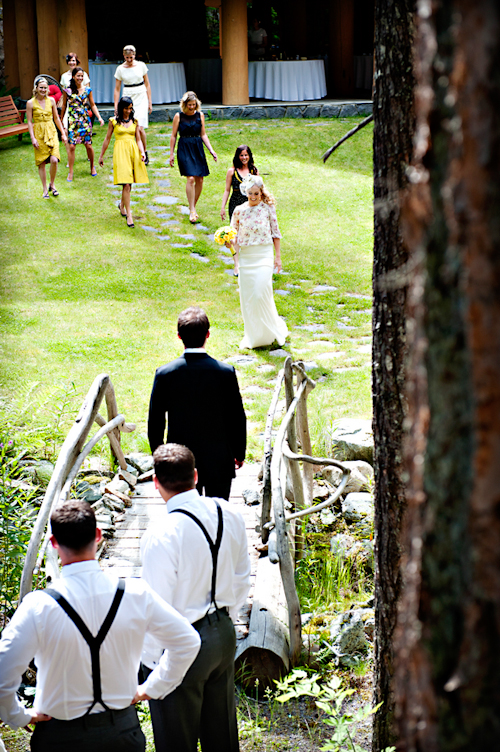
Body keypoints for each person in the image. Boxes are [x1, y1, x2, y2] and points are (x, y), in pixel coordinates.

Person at [0, 500, 201, 752]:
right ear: (98, 535)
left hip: (60, 738)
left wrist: (19, 716)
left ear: (53, 543)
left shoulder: (38, 606)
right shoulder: (135, 594)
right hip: (121, 732)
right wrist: (152, 688)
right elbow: (188, 641)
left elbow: (2, 670)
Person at [141, 443, 251, 752]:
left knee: (177, 742)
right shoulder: (228, 512)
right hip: (223, 634)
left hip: (182, 646)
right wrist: (226, 618)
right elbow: (242, 577)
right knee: (223, 737)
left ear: (155, 482)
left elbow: (155, 607)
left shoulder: (161, 533)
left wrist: (151, 665)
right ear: (196, 475)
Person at [148, 307, 246, 501]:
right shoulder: (225, 373)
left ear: (179, 336)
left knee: (185, 513)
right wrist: (239, 452)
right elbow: (237, 416)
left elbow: (156, 420)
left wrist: (159, 457)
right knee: (218, 512)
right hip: (218, 459)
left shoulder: (165, 374)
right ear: (208, 334)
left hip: (180, 461)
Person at [230, 175, 288, 349]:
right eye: (250, 193)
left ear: (261, 192)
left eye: (256, 193)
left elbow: (276, 233)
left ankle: (271, 330)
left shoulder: (267, 209)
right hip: (246, 258)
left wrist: (278, 257)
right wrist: (233, 254)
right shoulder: (239, 210)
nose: (253, 197)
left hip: (264, 255)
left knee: (260, 294)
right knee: (249, 298)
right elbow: (234, 237)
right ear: (245, 193)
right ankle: (255, 336)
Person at [98, 97, 148, 228]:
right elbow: (107, 139)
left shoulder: (134, 121)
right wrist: (101, 156)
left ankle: (121, 206)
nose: (128, 111)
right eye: (126, 108)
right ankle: (129, 215)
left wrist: (142, 152)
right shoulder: (113, 121)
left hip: (133, 152)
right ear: (121, 108)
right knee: (125, 183)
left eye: (130, 108)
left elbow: (138, 139)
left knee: (129, 183)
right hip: (120, 153)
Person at [169, 91, 218, 223]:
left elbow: (203, 135)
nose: (192, 107)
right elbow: (173, 135)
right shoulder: (178, 116)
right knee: (190, 178)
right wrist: (171, 153)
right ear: (184, 104)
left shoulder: (200, 115)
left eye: (193, 104)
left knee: (200, 179)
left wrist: (211, 151)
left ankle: (192, 206)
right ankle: (192, 210)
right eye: (189, 105)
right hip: (184, 146)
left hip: (197, 147)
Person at [61, 67, 104, 181]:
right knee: (71, 146)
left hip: (85, 121)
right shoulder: (67, 90)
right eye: (78, 76)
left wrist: (99, 117)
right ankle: (70, 172)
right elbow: (64, 106)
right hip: (73, 122)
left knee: (88, 145)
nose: (80, 78)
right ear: (73, 77)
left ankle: (92, 167)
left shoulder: (88, 90)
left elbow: (93, 104)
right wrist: (61, 120)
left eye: (82, 76)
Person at [27, 78, 67, 199]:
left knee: (54, 160)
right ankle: (45, 189)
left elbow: (56, 118)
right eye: (41, 87)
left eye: (45, 88)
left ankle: (52, 184)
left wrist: (63, 133)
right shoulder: (30, 103)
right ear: (36, 88)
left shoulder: (52, 101)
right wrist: (33, 138)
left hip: (51, 131)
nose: (43, 90)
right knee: (42, 162)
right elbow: (29, 122)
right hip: (39, 132)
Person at [114, 45, 152, 165]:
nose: (129, 60)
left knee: (140, 127)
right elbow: (117, 88)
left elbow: (147, 84)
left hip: (141, 94)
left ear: (135, 55)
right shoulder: (120, 69)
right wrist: (116, 105)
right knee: (131, 125)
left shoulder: (141, 65)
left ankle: (144, 152)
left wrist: (150, 101)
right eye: (127, 57)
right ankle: (132, 152)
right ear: (124, 56)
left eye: (131, 57)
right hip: (128, 94)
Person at [220, 145, 259, 222]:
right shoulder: (232, 171)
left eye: (246, 155)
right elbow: (227, 190)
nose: (244, 158)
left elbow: (260, 189)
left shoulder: (253, 171)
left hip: (250, 203)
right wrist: (222, 207)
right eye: (241, 155)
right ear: (238, 156)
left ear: (249, 156)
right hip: (235, 203)